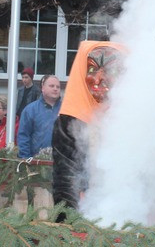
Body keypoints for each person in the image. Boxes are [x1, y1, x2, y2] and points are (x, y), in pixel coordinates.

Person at [51, 41, 125, 211]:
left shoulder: (142, 119)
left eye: (109, 70)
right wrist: (71, 226)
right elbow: (65, 181)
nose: (97, 79)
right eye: (91, 70)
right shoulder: (69, 123)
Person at [17, 75, 62, 158]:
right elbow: (23, 136)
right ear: (43, 88)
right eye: (51, 86)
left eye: (58, 87)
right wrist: (26, 159)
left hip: (61, 164)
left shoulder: (66, 110)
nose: (55, 89)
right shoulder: (30, 110)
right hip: (37, 162)